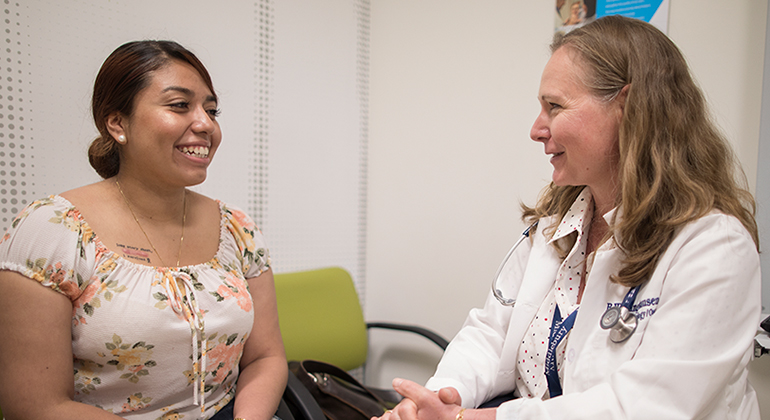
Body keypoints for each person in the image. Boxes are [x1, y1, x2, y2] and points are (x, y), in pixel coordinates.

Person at [376, 15, 761, 420]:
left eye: (554, 107)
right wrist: (433, 402)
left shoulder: (715, 248)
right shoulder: (554, 226)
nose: (536, 129)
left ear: (627, 109)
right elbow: (491, 334)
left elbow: (648, 407)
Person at [0, 40, 287, 419]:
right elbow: (35, 404)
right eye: (180, 105)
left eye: (211, 110)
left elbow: (266, 357)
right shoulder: (52, 231)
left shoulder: (237, 229)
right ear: (117, 123)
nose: (205, 124)